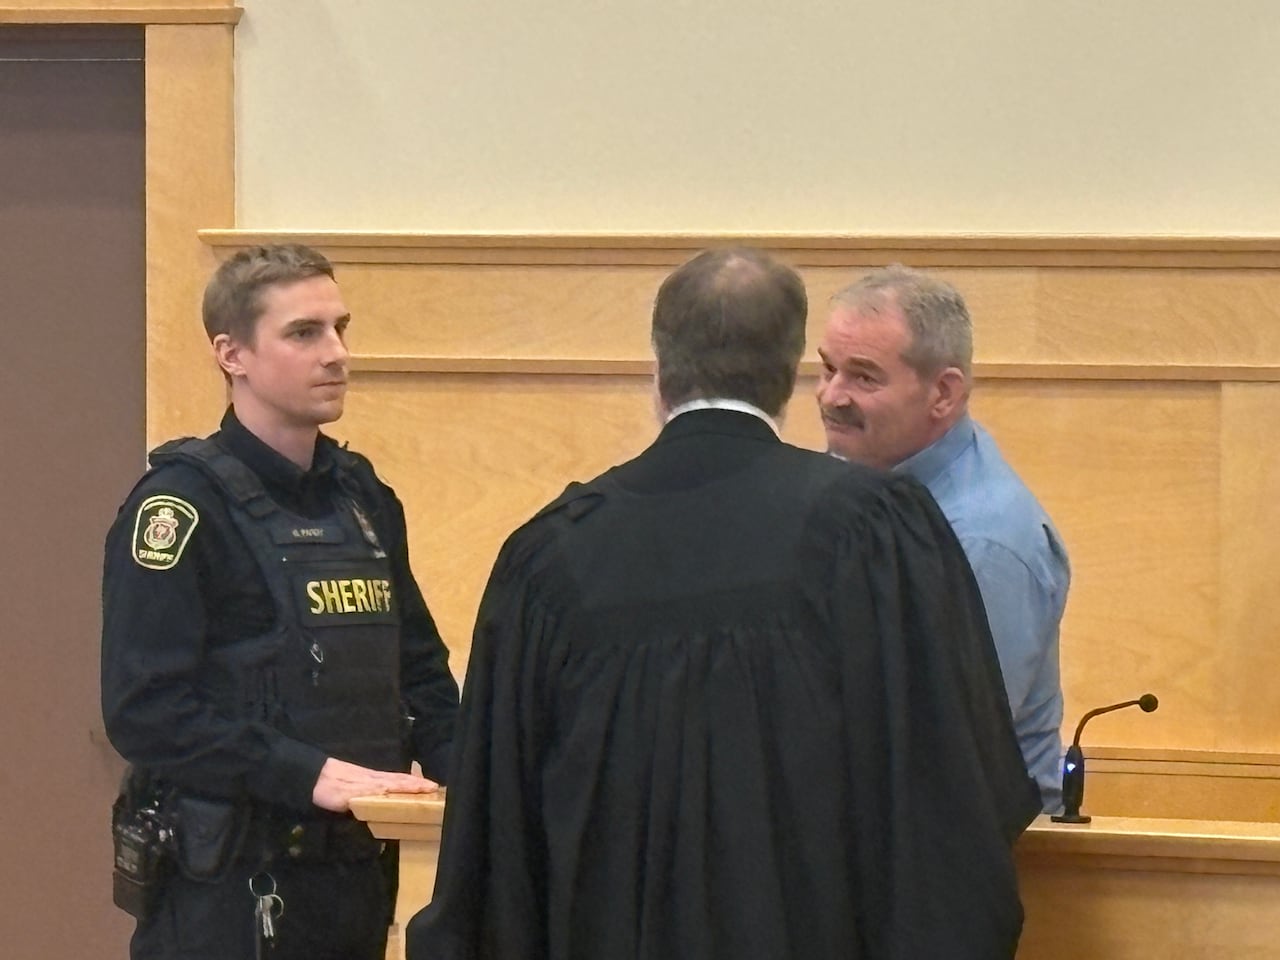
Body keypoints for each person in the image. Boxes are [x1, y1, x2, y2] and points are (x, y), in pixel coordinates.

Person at [407, 247, 1040, 960]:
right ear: (791, 371)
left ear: (659, 370)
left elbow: (491, 849)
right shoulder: (875, 532)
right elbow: (958, 804)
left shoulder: (548, 557)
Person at [101, 243, 459, 960]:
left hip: (354, 880)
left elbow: (419, 678)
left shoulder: (363, 499)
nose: (336, 354)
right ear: (232, 354)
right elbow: (146, 711)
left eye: (340, 329)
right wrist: (307, 773)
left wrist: (487, 786)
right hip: (227, 892)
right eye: (304, 333)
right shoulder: (180, 509)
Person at [815, 263, 1070, 812]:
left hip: (972, 851)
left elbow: (947, 749)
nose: (832, 396)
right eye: (827, 369)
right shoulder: (850, 491)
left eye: (864, 377)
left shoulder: (984, 543)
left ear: (943, 394)